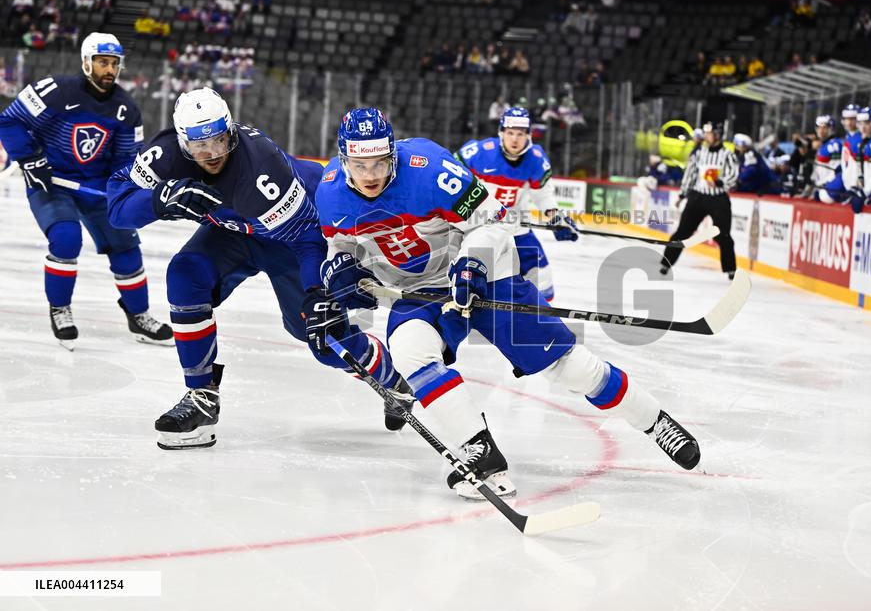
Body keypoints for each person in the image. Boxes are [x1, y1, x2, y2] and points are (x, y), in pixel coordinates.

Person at [313, 108, 700, 499]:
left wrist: (472, 263)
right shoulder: (329, 192)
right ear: (344, 158)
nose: (371, 175)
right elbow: (339, 245)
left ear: (393, 154)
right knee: (410, 350)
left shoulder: (429, 167)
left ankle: (655, 421)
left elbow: (494, 220)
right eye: (360, 165)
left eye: (380, 162)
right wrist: (341, 273)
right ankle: (481, 454)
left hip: (484, 275)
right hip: (417, 291)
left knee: (571, 369)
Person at [106, 90, 412, 450]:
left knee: (321, 339)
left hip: (296, 234)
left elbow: (304, 238)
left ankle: (392, 379)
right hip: (234, 230)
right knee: (185, 275)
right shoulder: (165, 154)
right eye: (200, 147)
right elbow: (117, 208)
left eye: (220, 141)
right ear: (182, 142)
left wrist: (316, 291)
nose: (212, 155)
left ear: (231, 132)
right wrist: (158, 199)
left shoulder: (260, 167)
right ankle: (201, 397)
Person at [0, 32, 171, 350]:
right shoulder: (55, 90)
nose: (109, 69)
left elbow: (125, 160)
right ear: (86, 62)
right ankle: (60, 308)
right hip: (51, 181)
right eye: (102, 62)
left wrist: (124, 191)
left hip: (95, 187)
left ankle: (138, 314)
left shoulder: (126, 109)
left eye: (114, 63)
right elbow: (8, 122)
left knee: (126, 244)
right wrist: (31, 159)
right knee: (66, 238)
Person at [454, 107, 577, 301]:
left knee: (542, 279)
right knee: (467, 275)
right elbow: (453, 178)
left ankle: (540, 322)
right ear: (501, 132)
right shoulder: (477, 153)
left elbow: (543, 194)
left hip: (514, 225)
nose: (514, 139)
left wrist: (556, 218)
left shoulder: (536, 159)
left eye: (520, 134)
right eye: (510, 133)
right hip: (477, 225)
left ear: (529, 135)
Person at [661, 122, 738, 278]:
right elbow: (690, 174)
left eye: (709, 133)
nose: (706, 136)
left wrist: (719, 182)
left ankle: (730, 269)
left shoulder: (728, 155)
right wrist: (683, 194)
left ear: (717, 135)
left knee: (723, 235)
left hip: (718, 198)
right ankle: (666, 262)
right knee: (683, 232)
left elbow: (733, 175)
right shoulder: (698, 153)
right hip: (698, 196)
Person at [812, 115, 846, 203]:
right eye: (819, 127)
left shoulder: (834, 145)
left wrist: (825, 186)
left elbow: (836, 171)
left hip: (829, 191)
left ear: (831, 128)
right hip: (822, 188)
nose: (821, 131)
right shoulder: (824, 145)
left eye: (824, 127)